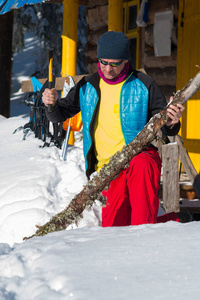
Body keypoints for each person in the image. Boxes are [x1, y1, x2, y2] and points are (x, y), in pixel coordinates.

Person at [42, 31, 186, 227]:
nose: (108, 68)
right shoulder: (87, 86)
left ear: (125, 61)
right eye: (103, 62)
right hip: (108, 170)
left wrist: (172, 122)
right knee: (115, 228)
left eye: (114, 63)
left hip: (139, 159)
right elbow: (59, 115)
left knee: (141, 221)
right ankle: (177, 220)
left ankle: (146, 248)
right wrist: (50, 104)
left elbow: (167, 125)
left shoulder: (144, 84)